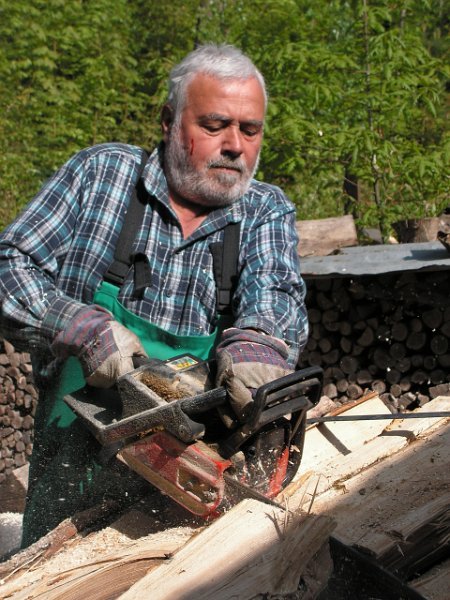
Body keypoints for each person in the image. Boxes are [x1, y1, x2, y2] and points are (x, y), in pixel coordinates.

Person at [0, 43, 309, 547]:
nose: (235, 145)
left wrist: (259, 342)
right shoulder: (101, 176)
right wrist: (81, 328)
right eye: (215, 125)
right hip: (70, 493)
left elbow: (275, 294)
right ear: (168, 121)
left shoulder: (265, 211)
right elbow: (9, 264)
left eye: (250, 130)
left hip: (192, 509)